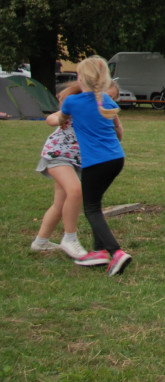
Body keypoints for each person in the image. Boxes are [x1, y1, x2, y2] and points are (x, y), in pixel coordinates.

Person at [44, 56, 131, 275]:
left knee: (91, 209)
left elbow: (58, 119)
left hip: (95, 163)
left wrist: (59, 119)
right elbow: (117, 129)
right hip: (116, 160)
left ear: (81, 78)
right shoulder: (108, 102)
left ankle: (116, 252)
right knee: (96, 203)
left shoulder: (73, 102)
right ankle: (98, 252)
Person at [32, 81, 122, 260]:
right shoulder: (77, 105)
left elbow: (116, 132)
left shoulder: (105, 113)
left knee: (60, 203)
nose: (106, 99)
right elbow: (51, 119)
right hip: (57, 154)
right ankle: (70, 238)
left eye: (111, 97)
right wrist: (61, 119)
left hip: (75, 159)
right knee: (75, 191)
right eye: (105, 94)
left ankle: (40, 242)